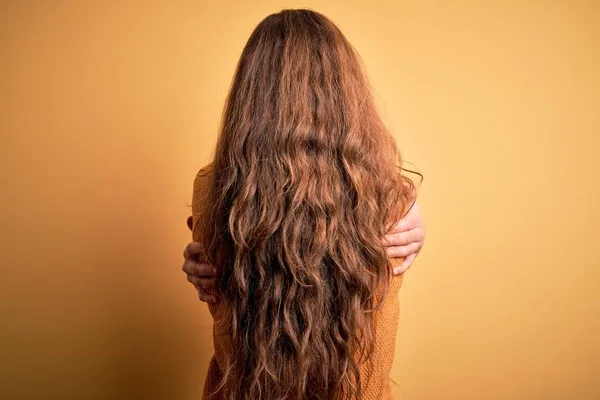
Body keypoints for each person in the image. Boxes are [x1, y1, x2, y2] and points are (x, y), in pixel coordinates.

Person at [186, 9, 425, 400]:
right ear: (345, 93)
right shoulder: (392, 199)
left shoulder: (213, 188)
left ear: (251, 97)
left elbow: (219, 301)